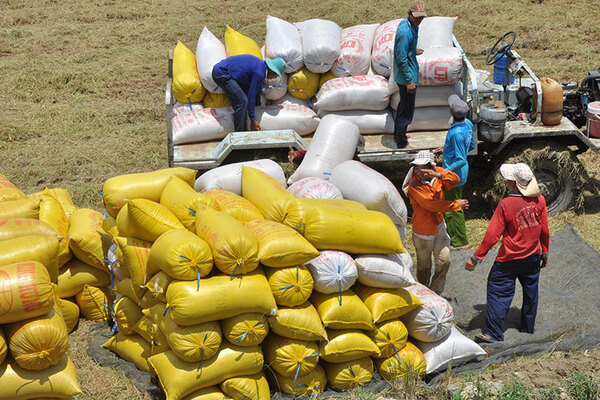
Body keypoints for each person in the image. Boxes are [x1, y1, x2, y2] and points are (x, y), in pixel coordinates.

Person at [465, 163, 549, 343]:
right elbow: (545, 231)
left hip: (508, 260)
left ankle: (494, 334)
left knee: (498, 292)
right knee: (531, 293)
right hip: (533, 257)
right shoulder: (539, 200)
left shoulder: (506, 204)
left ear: (513, 182)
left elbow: (492, 235)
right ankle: (528, 329)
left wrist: (476, 257)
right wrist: (545, 252)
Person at [402, 150, 469, 295]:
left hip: (439, 226)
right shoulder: (414, 185)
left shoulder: (437, 174)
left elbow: (455, 180)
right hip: (423, 231)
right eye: (416, 167)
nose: (418, 171)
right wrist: (455, 205)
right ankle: (424, 292)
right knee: (424, 266)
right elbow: (430, 205)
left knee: (444, 260)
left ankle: (436, 292)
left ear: (431, 167)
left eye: (422, 167)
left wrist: (439, 175)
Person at [434, 94, 476, 250]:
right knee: (454, 203)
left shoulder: (457, 133)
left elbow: (461, 159)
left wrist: (443, 172)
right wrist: (446, 150)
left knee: (452, 207)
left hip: (454, 175)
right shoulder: (468, 124)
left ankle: (460, 242)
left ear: (451, 113)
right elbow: (470, 146)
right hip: (461, 172)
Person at [212, 54, 287, 132]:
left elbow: (256, 91)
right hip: (221, 73)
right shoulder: (259, 73)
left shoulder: (261, 67)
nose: (275, 78)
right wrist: (253, 120)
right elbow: (251, 96)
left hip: (228, 73)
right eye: (276, 74)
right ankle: (240, 133)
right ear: (272, 70)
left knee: (244, 96)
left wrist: (257, 106)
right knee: (242, 101)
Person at [392, 0, 426, 149]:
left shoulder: (413, 26)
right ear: (409, 14)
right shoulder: (404, 32)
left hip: (408, 74)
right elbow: (401, 58)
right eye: (416, 17)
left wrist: (413, 50)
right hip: (406, 77)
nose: (419, 20)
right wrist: (409, 81)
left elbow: (405, 50)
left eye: (421, 17)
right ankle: (401, 142)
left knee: (403, 106)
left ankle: (399, 133)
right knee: (407, 111)